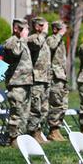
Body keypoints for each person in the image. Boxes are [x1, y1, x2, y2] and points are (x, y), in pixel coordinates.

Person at [3, 18, 33, 148]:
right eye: (22, 29)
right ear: (16, 29)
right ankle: (13, 138)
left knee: (25, 113)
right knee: (17, 112)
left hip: (25, 81)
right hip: (16, 83)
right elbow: (15, 53)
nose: (25, 31)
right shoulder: (11, 42)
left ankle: (22, 137)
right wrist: (22, 38)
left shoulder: (22, 42)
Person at [27, 16, 51, 144]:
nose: (46, 28)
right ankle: (33, 132)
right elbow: (37, 44)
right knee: (35, 107)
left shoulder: (43, 39)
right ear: (37, 26)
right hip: (36, 78)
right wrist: (44, 32)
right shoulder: (32, 38)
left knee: (44, 108)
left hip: (45, 78)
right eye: (43, 25)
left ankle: (39, 131)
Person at [46, 20, 68, 142]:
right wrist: (59, 34)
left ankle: (57, 128)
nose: (63, 31)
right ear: (55, 30)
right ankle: (53, 131)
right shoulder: (51, 39)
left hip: (61, 76)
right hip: (54, 76)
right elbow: (51, 46)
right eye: (61, 29)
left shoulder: (60, 40)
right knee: (56, 103)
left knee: (62, 104)